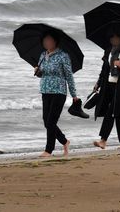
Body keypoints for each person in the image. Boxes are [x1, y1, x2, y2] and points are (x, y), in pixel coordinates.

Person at [34, 30, 79, 158]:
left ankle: (49, 150)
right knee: (46, 121)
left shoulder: (63, 56)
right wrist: (37, 71)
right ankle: (65, 141)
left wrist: (74, 94)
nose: (47, 42)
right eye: (45, 40)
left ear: (55, 41)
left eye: (50, 40)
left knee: (51, 121)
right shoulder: (43, 55)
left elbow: (69, 76)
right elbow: (42, 74)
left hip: (59, 91)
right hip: (45, 90)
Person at [92, 30, 120, 150]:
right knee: (118, 114)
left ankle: (103, 140)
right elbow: (104, 69)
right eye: (111, 38)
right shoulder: (109, 51)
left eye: (116, 38)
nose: (113, 40)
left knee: (111, 112)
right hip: (109, 85)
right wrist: (98, 83)